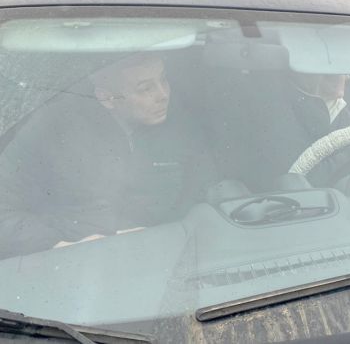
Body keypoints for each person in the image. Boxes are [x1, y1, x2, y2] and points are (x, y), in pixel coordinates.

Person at [0, 53, 217, 258]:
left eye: (164, 79)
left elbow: (208, 188)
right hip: (76, 266)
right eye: (145, 89)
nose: (163, 95)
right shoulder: (52, 132)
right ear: (107, 98)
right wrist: (58, 245)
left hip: (171, 255)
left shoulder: (179, 124)